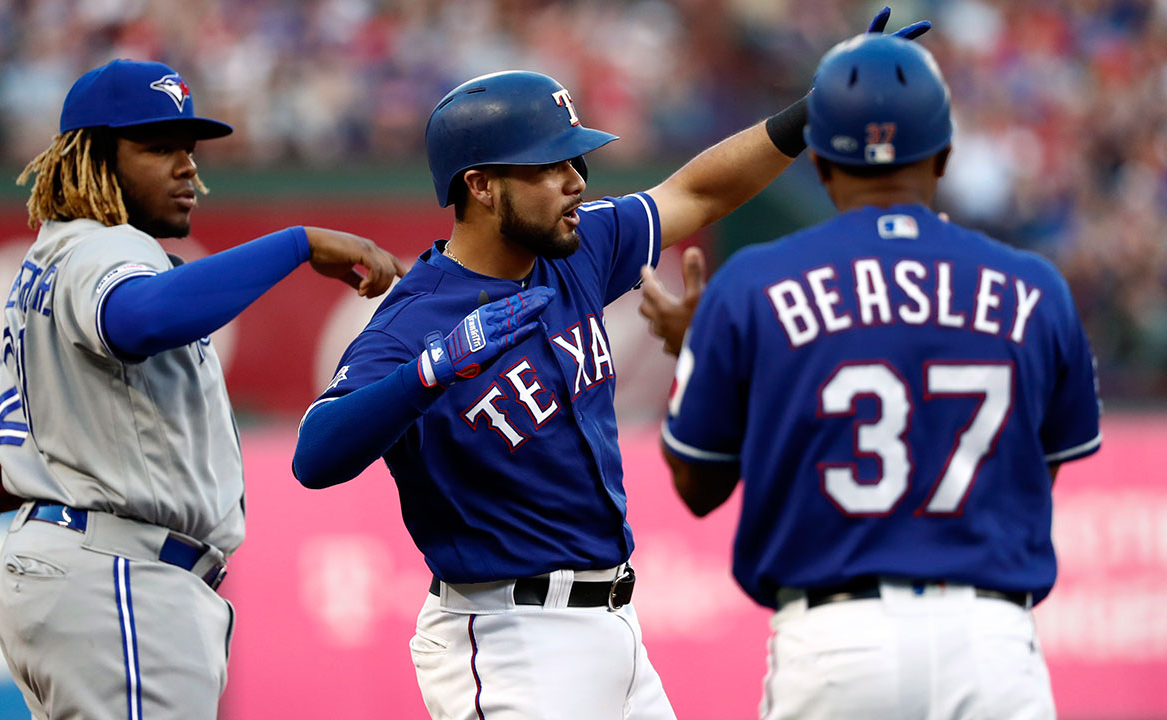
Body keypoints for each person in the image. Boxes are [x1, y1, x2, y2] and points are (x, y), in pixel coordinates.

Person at [291, 11, 929, 718]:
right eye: (550, 165)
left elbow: (698, 191)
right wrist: (429, 371)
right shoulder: (416, 321)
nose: (575, 181)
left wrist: (813, 111)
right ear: (480, 185)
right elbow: (315, 456)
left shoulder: (578, 250)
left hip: (617, 624)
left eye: (576, 162)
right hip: (508, 637)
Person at [654, 34, 1102, 719]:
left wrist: (704, 353)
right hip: (992, 640)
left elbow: (698, 485)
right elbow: (1033, 473)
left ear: (823, 165)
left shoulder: (752, 284)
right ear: (945, 155)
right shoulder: (1034, 285)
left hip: (836, 641)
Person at [0, 59, 404, 719]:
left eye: (187, 148)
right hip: (118, 574)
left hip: (85, 567)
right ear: (92, 156)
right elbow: (143, 318)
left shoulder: (54, 253)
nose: (186, 166)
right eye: (156, 148)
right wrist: (297, 244)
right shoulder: (103, 248)